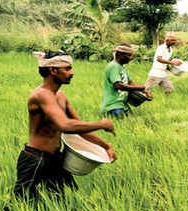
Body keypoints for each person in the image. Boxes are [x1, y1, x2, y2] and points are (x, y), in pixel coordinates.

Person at [13, 50, 117, 200]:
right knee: (21, 201)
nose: (72, 73)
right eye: (67, 69)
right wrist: (101, 124)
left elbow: (79, 128)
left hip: (55, 158)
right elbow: (65, 125)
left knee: (62, 199)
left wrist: (105, 146)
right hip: (35, 158)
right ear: (53, 70)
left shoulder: (60, 96)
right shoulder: (41, 95)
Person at [101, 44, 152, 118]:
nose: (131, 58)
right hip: (113, 105)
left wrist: (144, 91)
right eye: (129, 55)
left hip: (122, 103)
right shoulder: (113, 66)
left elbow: (130, 82)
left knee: (132, 121)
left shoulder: (122, 67)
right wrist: (139, 88)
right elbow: (118, 85)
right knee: (122, 123)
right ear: (120, 55)